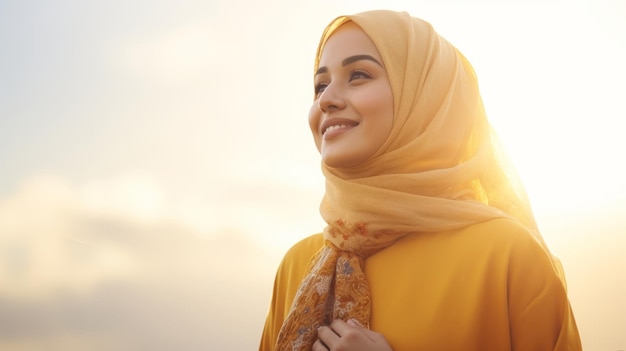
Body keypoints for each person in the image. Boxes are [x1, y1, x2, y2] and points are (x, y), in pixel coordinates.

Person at [259, 9, 582, 351]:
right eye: (320, 85)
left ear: (425, 97)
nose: (326, 99)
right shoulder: (298, 265)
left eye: (358, 75)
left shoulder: (506, 257)